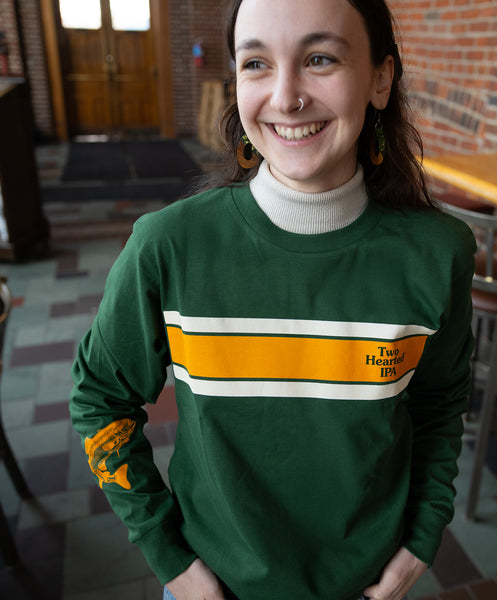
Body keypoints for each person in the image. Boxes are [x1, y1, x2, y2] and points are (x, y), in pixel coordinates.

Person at [70, 0, 476, 599]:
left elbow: (440, 406)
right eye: (256, 63)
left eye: (319, 58)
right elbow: (100, 400)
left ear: (381, 79)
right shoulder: (169, 247)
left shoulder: (439, 253)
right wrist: (172, 562)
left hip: (368, 586)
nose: (286, 98)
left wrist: (421, 540)